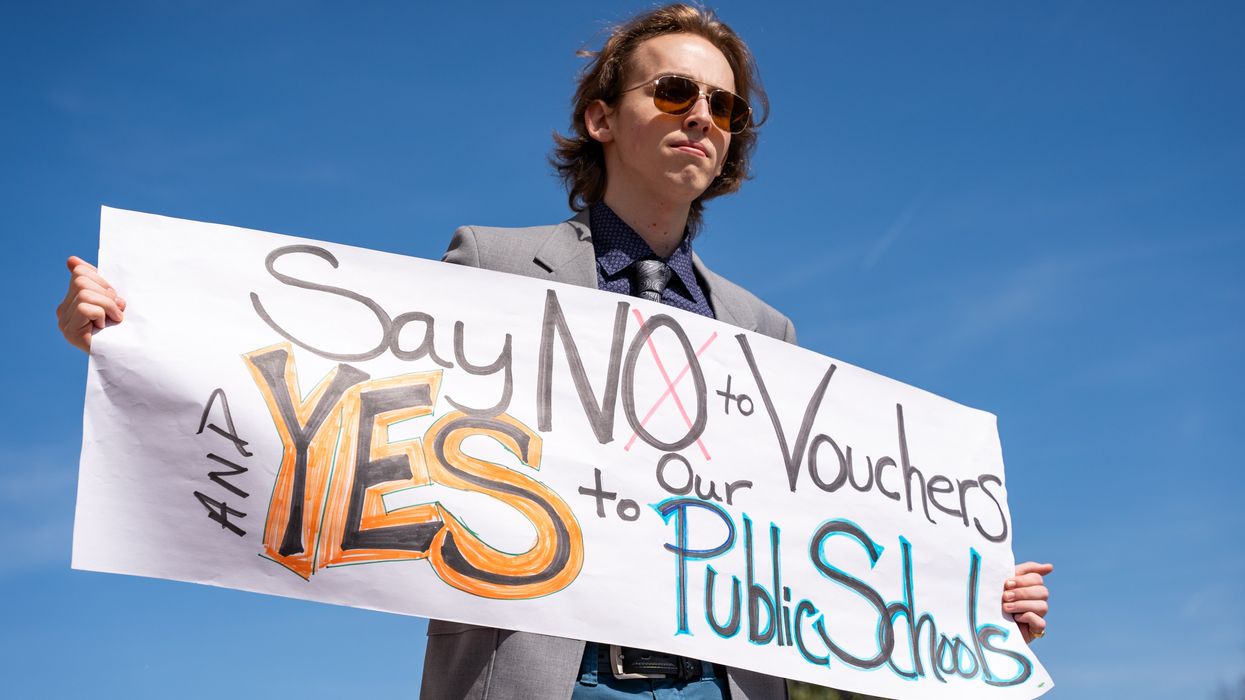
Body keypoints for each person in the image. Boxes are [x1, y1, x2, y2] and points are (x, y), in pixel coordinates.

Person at [56, 5, 1052, 699]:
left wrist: (973, 597)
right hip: (546, 682)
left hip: (723, 687)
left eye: (724, 105)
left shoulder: (767, 337)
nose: (702, 115)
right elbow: (348, 402)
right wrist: (139, 330)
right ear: (599, 117)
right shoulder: (490, 267)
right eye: (672, 92)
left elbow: (828, 539)